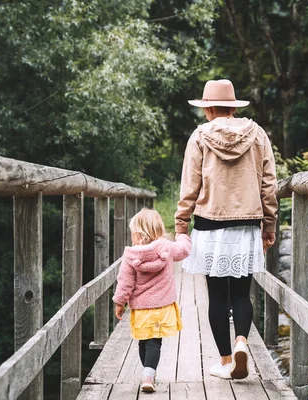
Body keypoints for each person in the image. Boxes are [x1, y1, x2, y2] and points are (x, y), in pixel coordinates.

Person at [175, 79, 278, 380]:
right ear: (232, 106)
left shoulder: (199, 137)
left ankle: (225, 361)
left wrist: (182, 224)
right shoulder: (257, 134)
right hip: (246, 224)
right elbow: (268, 184)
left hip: (209, 225)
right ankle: (242, 341)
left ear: (208, 108)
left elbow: (189, 185)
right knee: (242, 294)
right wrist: (268, 225)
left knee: (217, 296)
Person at [113, 208, 191, 392]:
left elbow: (125, 282)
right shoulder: (166, 247)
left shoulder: (130, 256)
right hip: (163, 306)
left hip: (141, 308)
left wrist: (119, 302)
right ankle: (149, 375)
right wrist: (183, 236)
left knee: (143, 340)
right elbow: (183, 250)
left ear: (138, 234)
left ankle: (147, 374)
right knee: (155, 341)